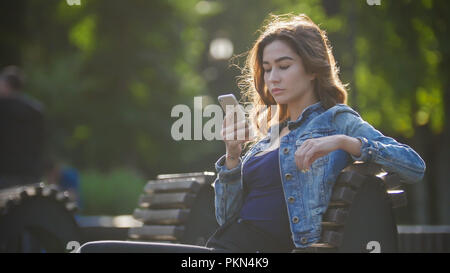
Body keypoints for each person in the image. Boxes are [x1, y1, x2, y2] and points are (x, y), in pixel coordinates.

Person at [78, 13, 425, 253]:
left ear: (312, 70)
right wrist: (231, 157)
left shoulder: (336, 120)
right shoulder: (268, 134)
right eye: (267, 68)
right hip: (229, 249)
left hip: (255, 254)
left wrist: (344, 142)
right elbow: (227, 219)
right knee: (96, 250)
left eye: (284, 66)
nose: (272, 78)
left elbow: (413, 166)